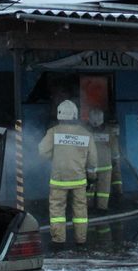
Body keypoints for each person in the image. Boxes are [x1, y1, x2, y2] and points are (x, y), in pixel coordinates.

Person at [39, 100, 97, 248]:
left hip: (59, 180)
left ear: (59, 115)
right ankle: (81, 241)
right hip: (79, 180)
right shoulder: (86, 134)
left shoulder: (53, 132)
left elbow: (42, 152)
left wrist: (55, 156)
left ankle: (58, 241)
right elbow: (93, 159)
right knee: (80, 212)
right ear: (75, 115)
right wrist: (92, 178)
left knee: (57, 211)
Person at [87, 109, 114, 213]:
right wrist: (115, 159)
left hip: (90, 166)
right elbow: (114, 147)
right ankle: (102, 208)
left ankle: (89, 207)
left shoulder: (86, 131)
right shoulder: (109, 131)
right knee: (104, 189)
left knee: (89, 187)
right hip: (106, 165)